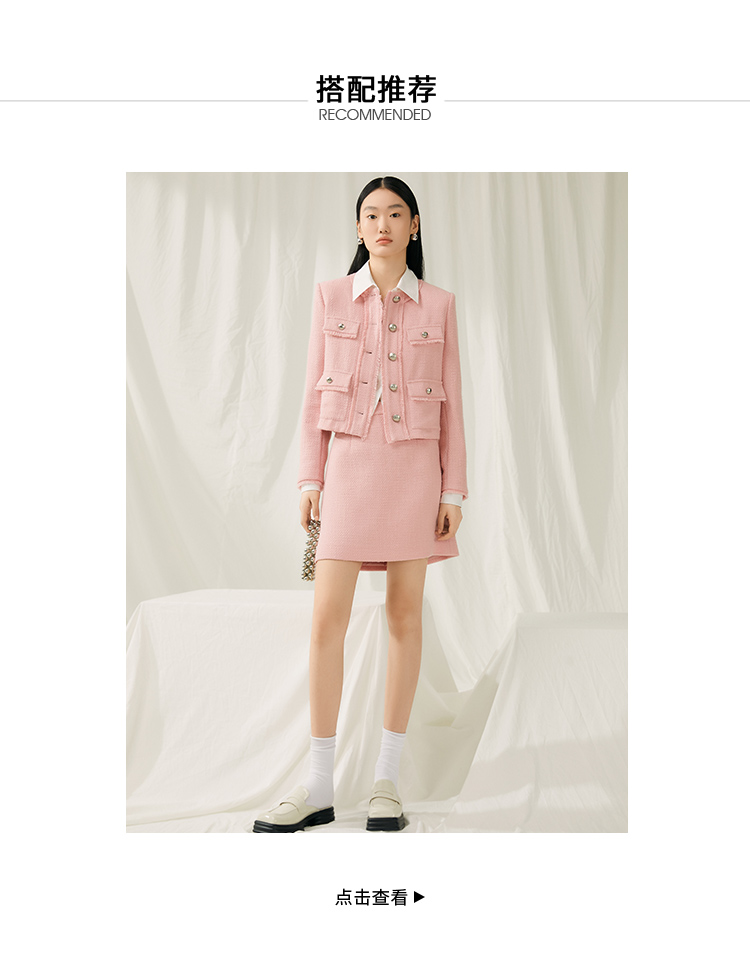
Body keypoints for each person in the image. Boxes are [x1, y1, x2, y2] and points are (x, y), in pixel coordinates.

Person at [252, 176, 468, 832]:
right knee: (327, 621)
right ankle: (319, 783)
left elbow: (454, 404)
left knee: (405, 617)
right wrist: (308, 479)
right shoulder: (330, 297)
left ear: (414, 225)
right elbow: (311, 395)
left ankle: (386, 780)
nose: (382, 225)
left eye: (395, 214)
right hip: (346, 471)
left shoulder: (439, 305)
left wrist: (452, 488)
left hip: (414, 474)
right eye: (371, 215)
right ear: (358, 227)